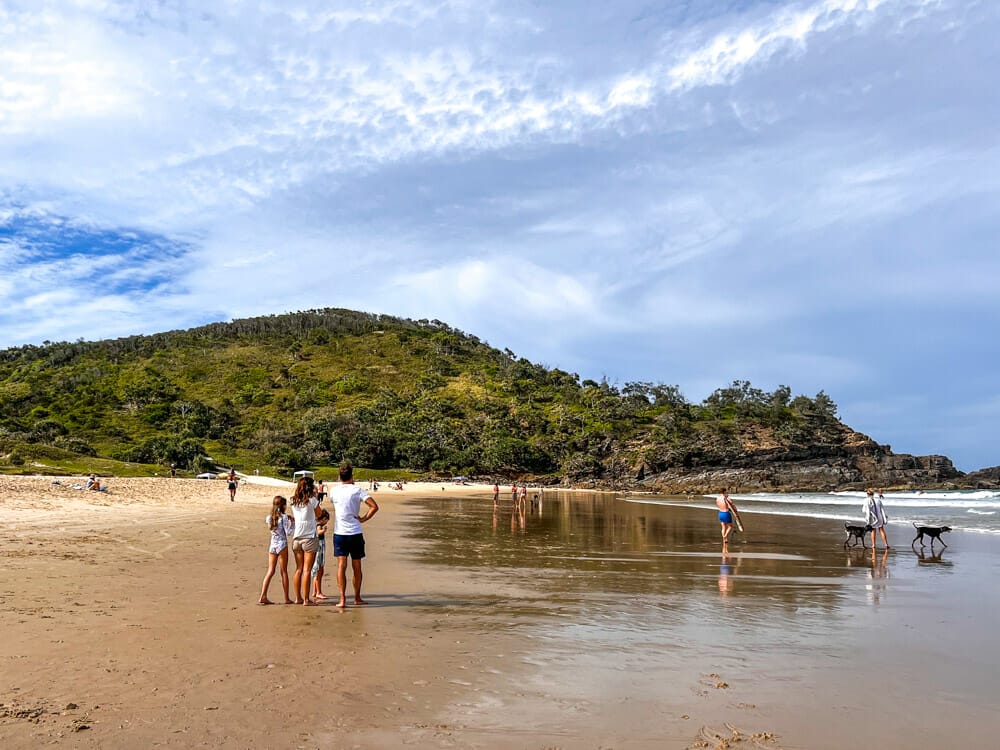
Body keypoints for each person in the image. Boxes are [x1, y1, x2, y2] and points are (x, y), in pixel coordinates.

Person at [328, 461, 379, 608]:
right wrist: (363, 518)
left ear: (339, 476)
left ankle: (342, 598)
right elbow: (374, 507)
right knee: (357, 567)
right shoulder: (358, 490)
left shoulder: (334, 491)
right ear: (352, 476)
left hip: (340, 533)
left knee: (341, 566)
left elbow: (335, 501)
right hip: (355, 532)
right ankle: (357, 597)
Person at [290, 475, 323, 605]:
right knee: (307, 570)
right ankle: (306, 599)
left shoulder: (293, 501)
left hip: (297, 537)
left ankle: (298, 598)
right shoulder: (312, 501)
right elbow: (319, 514)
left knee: (298, 569)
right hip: (309, 536)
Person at [259, 495, 294, 605]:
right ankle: (286, 598)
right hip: (282, 544)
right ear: (282, 505)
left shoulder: (269, 517)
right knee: (283, 571)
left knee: (270, 571)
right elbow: (288, 532)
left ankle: (263, 595)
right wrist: (293, 523)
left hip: (272, 545)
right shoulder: (283, 518)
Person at [312, 508, 330, 600]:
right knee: (319, 570)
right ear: (323, 518)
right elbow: (318, 532)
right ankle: (318, 592)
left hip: (318, 547)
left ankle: (315, 591)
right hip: (319, 548)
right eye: (326, 520)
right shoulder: (319, 525)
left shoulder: (315, 524)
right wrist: (324, 530)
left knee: (317, 571)